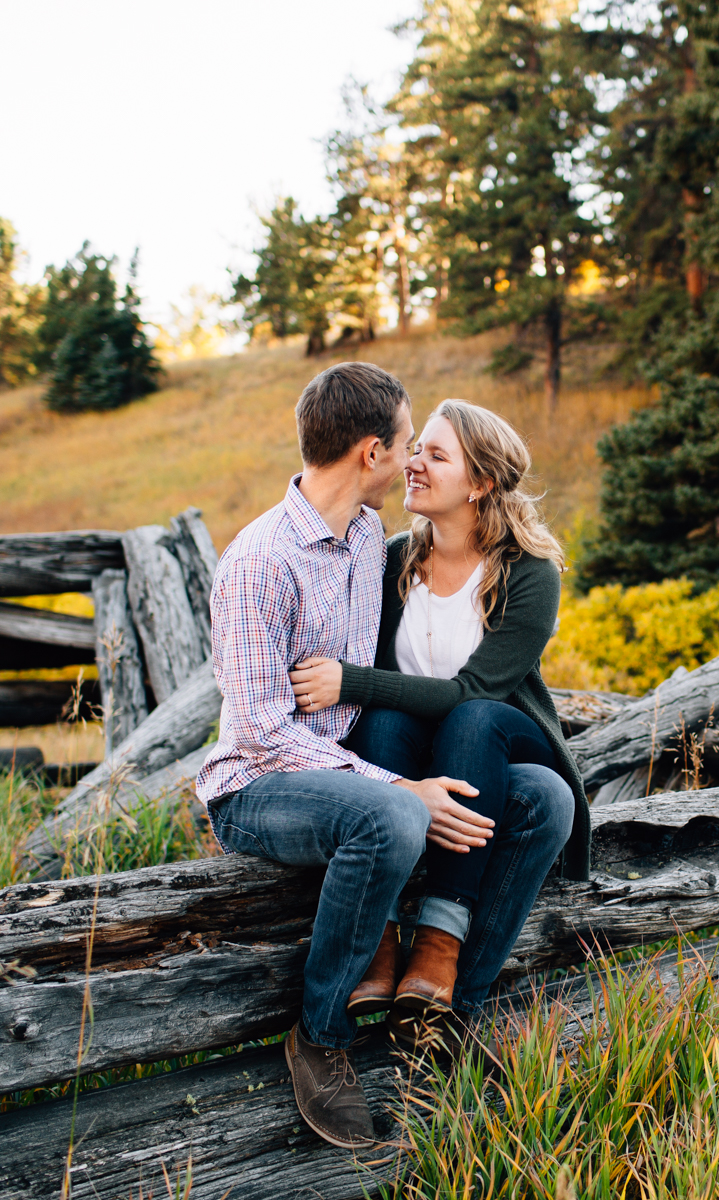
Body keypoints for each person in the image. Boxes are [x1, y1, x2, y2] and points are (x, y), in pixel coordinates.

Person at [196, 363, 532, 1151]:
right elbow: (262, 734)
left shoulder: (364, 544)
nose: (413, 459)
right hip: (257, 787)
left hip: (341, 769)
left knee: (532, 802)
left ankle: (445, 1011)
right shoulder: (259, 563)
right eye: (409, 444)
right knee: (389, 818)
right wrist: (401, 788)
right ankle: (319, 1035)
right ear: (372, 453)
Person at [287, 399, 591, 1052]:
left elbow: (473, 691)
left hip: (500, 739)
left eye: (435, 454)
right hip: (408, 752)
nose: (413, 463)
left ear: (480, 483)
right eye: (415, 447)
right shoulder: (395, 560)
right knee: (388, 717)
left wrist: (349, 679)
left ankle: (441, 942)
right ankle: (381, 943)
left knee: (477, 721)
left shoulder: (529, 573)